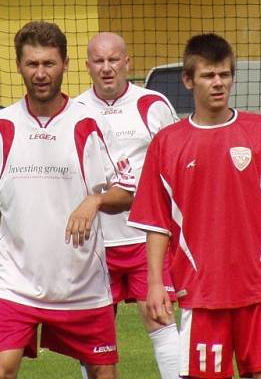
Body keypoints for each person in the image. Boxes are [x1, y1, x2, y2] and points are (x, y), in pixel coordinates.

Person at [128, 33, 261, 379]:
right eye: (208, 75)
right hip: (201, 293)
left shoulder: (260, 131)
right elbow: (156, 223)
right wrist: (155, 283)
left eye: (224, 75)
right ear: (188, 80)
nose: (218, 84)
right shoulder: (167, 144)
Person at [0, 21, 135, 379]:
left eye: (49, 64)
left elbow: (129, 192)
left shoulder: (89, 123)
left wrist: (95, 202)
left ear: (65, 64)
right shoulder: (1, 126)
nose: (40, 73)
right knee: (1, 371)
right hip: (19, 284)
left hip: (83, 284)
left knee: (104, 373)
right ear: (18, 66)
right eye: (32, 64)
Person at [75, 32, 180, 379]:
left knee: (160, 318)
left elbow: (176, 170)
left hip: (145, 240)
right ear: (88, 66)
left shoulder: (154, 105)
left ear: (127, 62)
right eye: (99, 61)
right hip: (94, 245)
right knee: (94, 339)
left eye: (114, 60)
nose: (107, 68)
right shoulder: (74, 111)